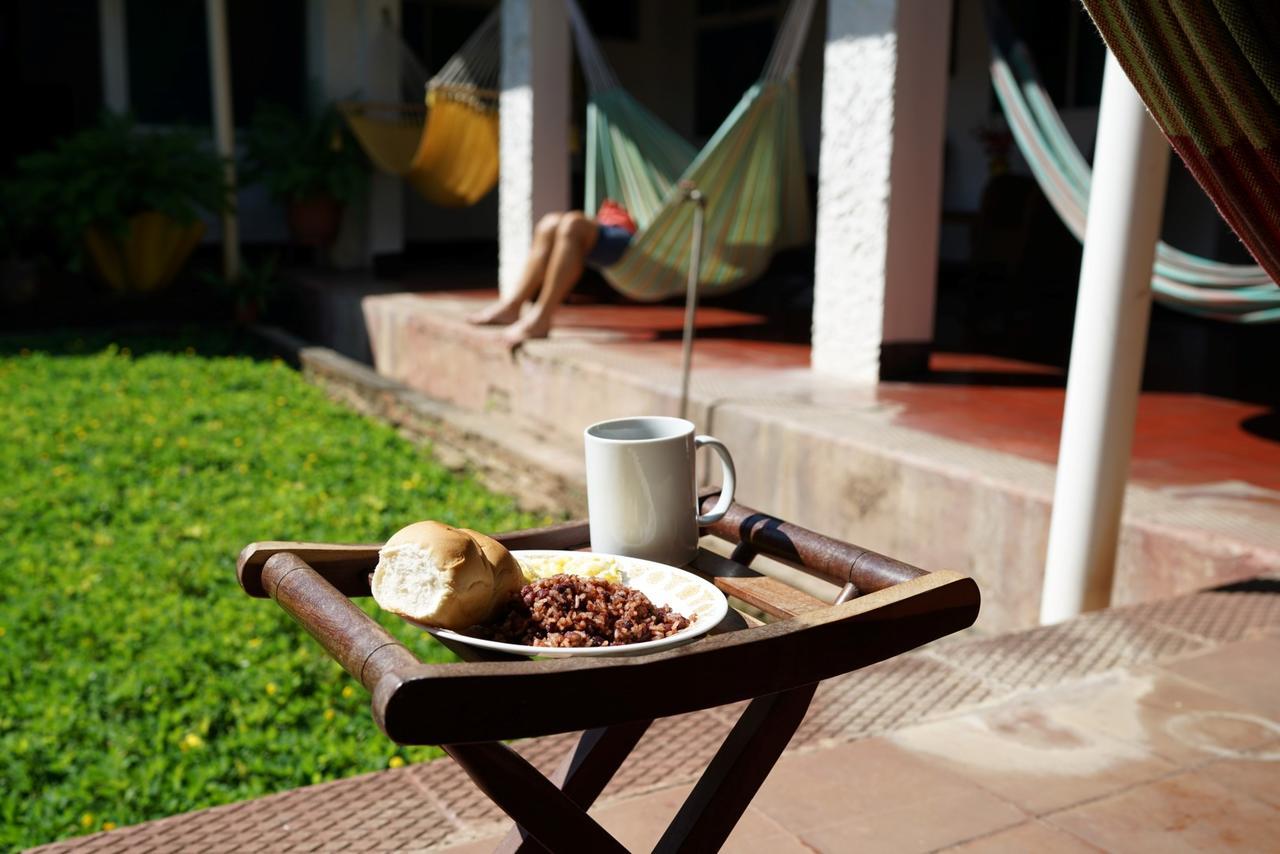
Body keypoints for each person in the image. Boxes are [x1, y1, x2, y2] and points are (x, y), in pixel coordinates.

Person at [468, 198, 637, 346]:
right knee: (549, 223)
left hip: (641, 242)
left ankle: (542, 318)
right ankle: (512, 307)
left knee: (574, 224)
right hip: (611, 224)